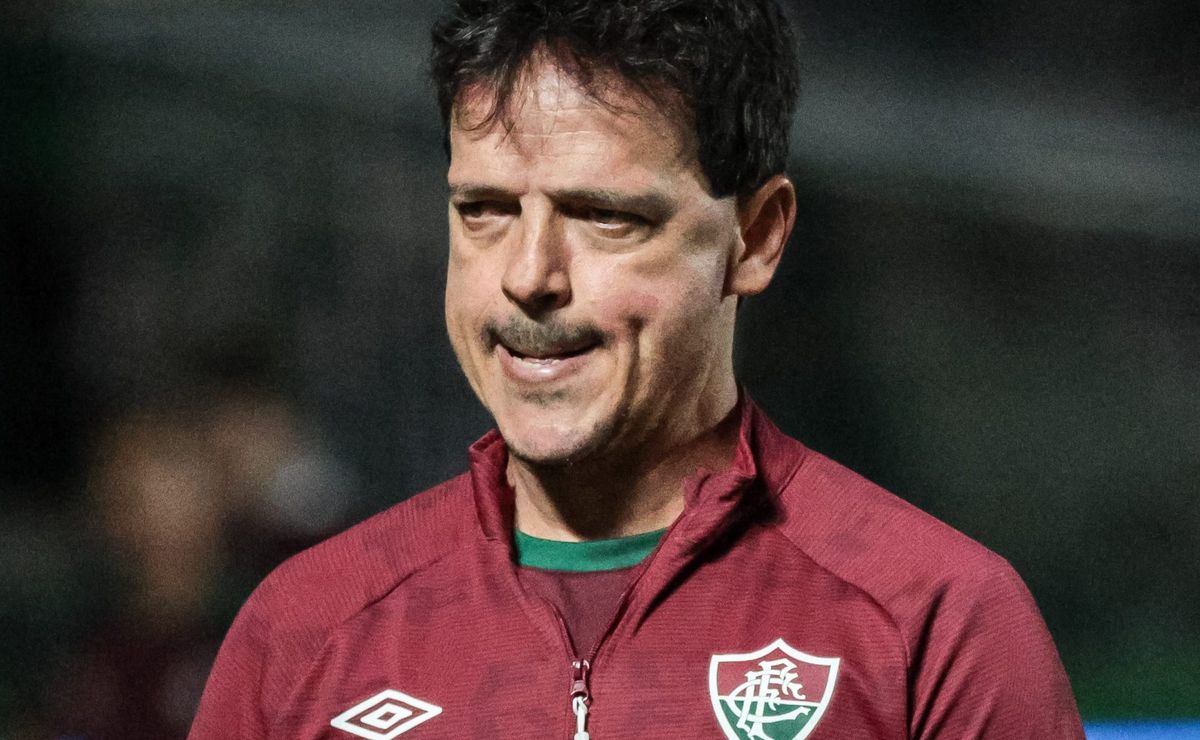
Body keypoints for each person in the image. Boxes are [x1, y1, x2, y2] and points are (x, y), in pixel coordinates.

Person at [191, 0, 1085, 737]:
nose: (528, 276)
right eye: (484, 210)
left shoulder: (934, 624)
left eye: (604, 216)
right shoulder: (305, 635)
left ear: (755, 238)